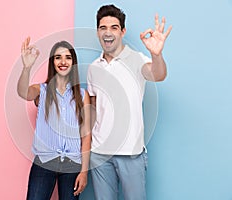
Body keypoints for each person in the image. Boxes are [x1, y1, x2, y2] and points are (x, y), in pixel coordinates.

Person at [87, 4, 172, 200]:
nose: (108, 33)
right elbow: (94, 110)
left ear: (122, 31)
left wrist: (156, 54)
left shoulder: (137, 60)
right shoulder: (93, 68)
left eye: (114, 27)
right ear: (98, 31)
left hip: (131, 153)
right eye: (103, 28)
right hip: (100, 155)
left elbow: (159, 75)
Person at [17, 37, 91, 200]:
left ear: (73, 62)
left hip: (72, 164)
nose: (63, 61)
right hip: (44, 162)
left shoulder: (82, 95)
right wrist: (26, 68)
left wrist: (84, 172)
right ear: (53, 62)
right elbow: (23, 93)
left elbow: (86, 136)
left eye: (68, 57)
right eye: (58, 57)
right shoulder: (41, 90)